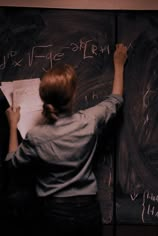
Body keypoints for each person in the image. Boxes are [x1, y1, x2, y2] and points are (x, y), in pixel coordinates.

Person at [5, 43, 128, 236]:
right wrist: (119, 64)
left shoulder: (36, 136)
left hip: (53, 214)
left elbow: (11, 163)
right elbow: (116, 100)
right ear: (72, 96)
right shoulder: (89, 120)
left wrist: (13, 125)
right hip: (88, 211)